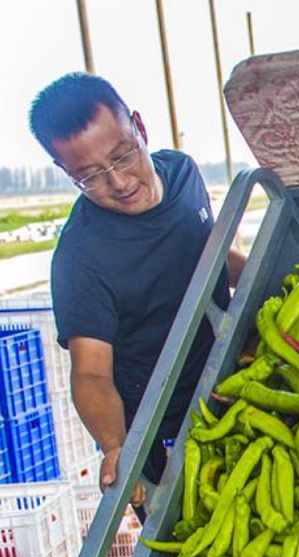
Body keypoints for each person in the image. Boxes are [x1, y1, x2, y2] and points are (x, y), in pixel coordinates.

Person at [28, 73, 245, 511]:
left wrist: (279, 270)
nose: (120, 182)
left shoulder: (182, 173)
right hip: (164, 432)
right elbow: (90, 373)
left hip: (234, 383)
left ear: (140, 128)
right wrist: (115, 446)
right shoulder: (81, 257)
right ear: (65, 172)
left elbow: (212, 254)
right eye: (89, 177)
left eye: (123, 155)